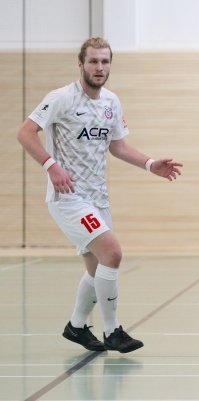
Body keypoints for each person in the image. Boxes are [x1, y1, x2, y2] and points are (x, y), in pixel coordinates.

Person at [17, 37, 183, 353]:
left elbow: (117, 145)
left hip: (98, 198)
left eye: (105, 61)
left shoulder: (111, 102)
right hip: (68, 197)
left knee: (97, 269)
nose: (99, 67)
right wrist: (51, 166)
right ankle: (113, 331)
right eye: (93, 61)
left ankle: (77, 326)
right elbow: (25, 132)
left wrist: (151, 164)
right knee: (113, 253)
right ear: (81, 64)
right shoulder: (61, 98)